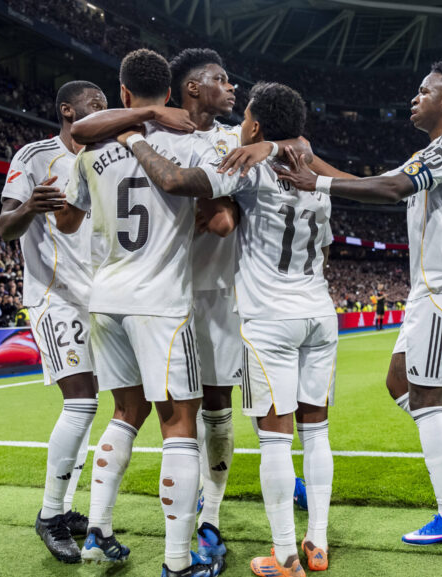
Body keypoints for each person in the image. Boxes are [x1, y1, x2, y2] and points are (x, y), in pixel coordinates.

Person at [71, 48, 312, 561]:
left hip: (213, 290)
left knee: (215, 408)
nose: (232, 89)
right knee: (180, 414)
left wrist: (264, 158)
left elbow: (278, 158)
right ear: (191, 89)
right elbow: (217, 211)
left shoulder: (234, 139)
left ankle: (210, 518)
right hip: (170, 293)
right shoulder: (169, 139)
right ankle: (182, 541)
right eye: (221, 80)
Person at [274, 60, 442, 545]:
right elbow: (366, 181)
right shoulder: (432, 152)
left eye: (424, 90)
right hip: (428, 291)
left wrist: (317, 184)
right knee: (399, 381)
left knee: (425, 398)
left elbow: (392, 187)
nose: (414, 97)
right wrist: (310, 163)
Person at [117, 81, 335, 577]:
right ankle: (316, 542)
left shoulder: (247, 168)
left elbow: (177, 182)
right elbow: (325, 249)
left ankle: (283, 558)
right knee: (316, 434)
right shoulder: (317, 181)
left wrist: (135, 140)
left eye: (246, 120)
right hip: (320, 312)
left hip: (270, 318)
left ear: (254, 127)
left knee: (277, 441)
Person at [55, 48, 235, 576]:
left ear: (125, 93)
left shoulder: (94, 148)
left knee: (123, 413)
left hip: (105, 299)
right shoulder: (196, 143)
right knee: (180, 423)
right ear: (174, 91)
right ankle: (179, 562)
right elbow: (219, 217)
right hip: (161, 301)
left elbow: (69, 217)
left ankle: (97, 532)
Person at [0, 79, 109, 564]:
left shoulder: (105, 160)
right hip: (54, 297)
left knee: (89, 409)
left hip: (99, 298)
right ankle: (49, 514)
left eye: (106, 103)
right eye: (93, 103)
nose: (103, 109)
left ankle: (63, 507)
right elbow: (5, 228)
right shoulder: (35, 155)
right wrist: (29, 206)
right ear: (67, 109)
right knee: (81, 402)